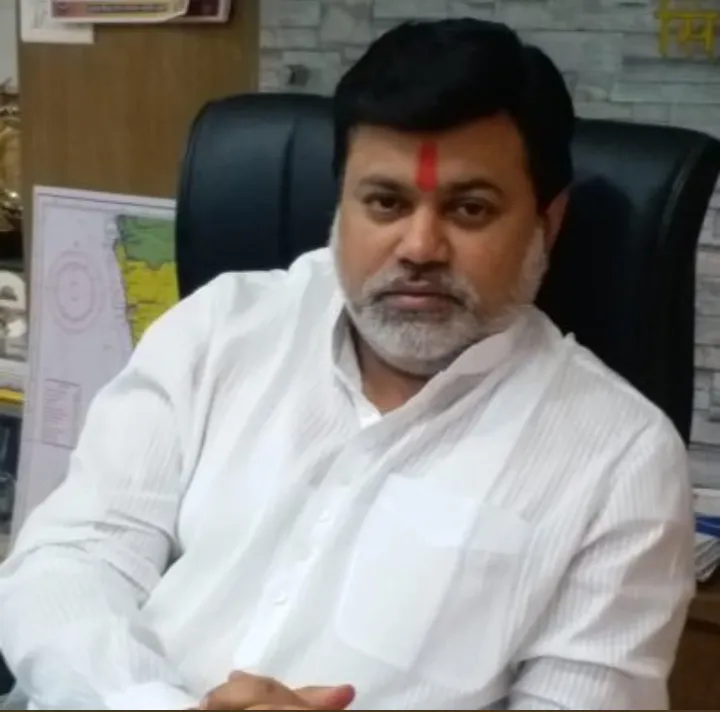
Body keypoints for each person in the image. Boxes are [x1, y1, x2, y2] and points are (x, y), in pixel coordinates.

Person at [0, 17, 694, 712]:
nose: (419, 246)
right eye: (386, 202)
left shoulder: (621, 460)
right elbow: (71, 559)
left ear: (549, 221)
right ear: (341, 204)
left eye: (470, 209)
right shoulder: (221, 328)